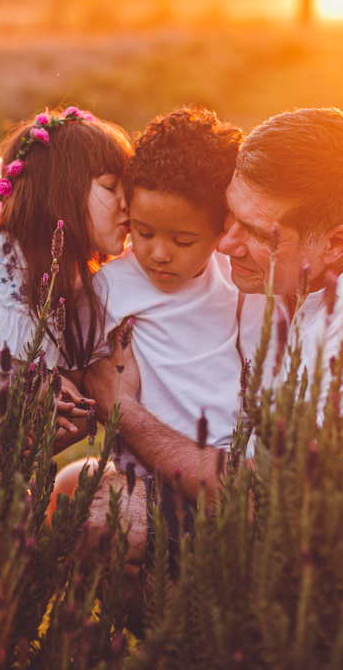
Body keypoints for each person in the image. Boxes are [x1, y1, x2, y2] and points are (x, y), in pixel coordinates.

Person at [82, 107, 343, 565]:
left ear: (334, 243)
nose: (226, 243)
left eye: (253, 231)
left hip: (325, 565)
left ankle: (200, 637)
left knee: (103, 519)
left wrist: (121, 410)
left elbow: (266, 504)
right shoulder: (280, 273)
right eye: (229, 214)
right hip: (244, 489)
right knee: (76, 483)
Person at [52, 106, 243, 502]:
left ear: (220, 231)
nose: (158, 253)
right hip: (146, 474)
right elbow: (69, 371)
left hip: (228, 461)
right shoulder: (110, 287)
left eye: (183, 241)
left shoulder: (234, 274)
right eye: (143, 232)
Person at [0, 106, 132, 447]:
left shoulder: (86, 289)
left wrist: (50, 400)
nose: (126, 204)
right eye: (110, 187)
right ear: (61, 190)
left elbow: (68, 418)